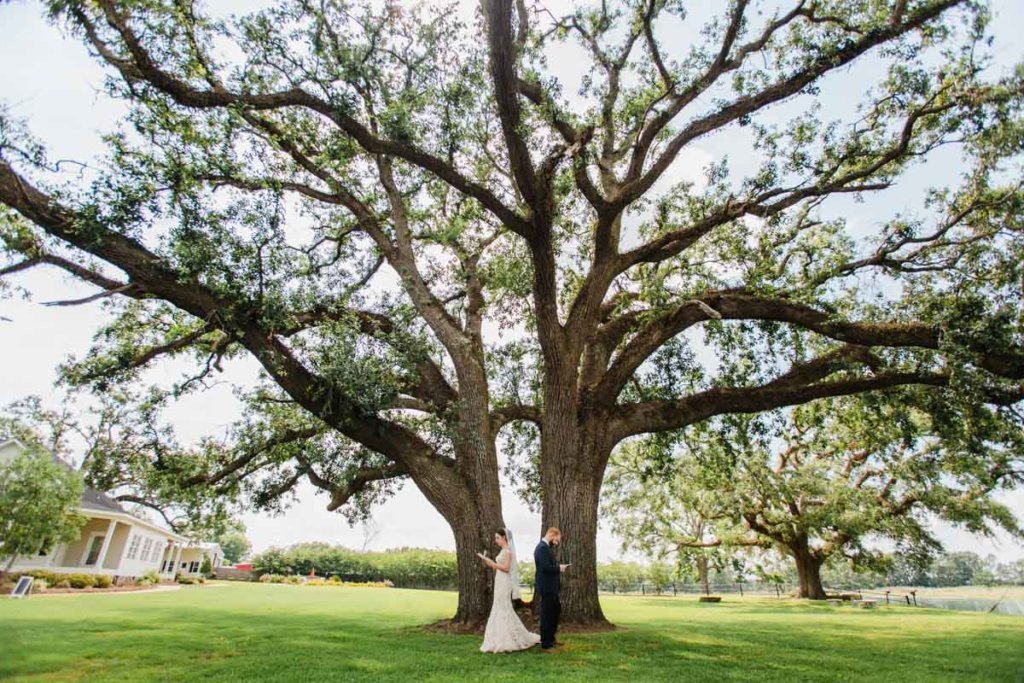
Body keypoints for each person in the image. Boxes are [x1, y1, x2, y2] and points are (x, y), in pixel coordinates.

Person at [477, 528, 540, 653]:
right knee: (499, 606)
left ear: (504, 537)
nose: (496, 541)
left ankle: (507, 639)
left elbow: (506, 568)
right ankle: (498, 637)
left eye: (497, 538)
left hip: (504, 582)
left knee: (503, 607)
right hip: (499, 580)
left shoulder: (508, 552)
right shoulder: (502, 551)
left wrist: (491, 563)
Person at [534, 527, 569, 651]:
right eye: (556, 540)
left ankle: (551, 639)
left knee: (554, 612)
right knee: (547, 615)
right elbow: (545, 567)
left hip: (551, 587)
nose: (556, 543)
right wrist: (559, 568)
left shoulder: (545, 548)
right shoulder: (542, 548)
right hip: (547, 587)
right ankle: (546, 643)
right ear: (552, 535)